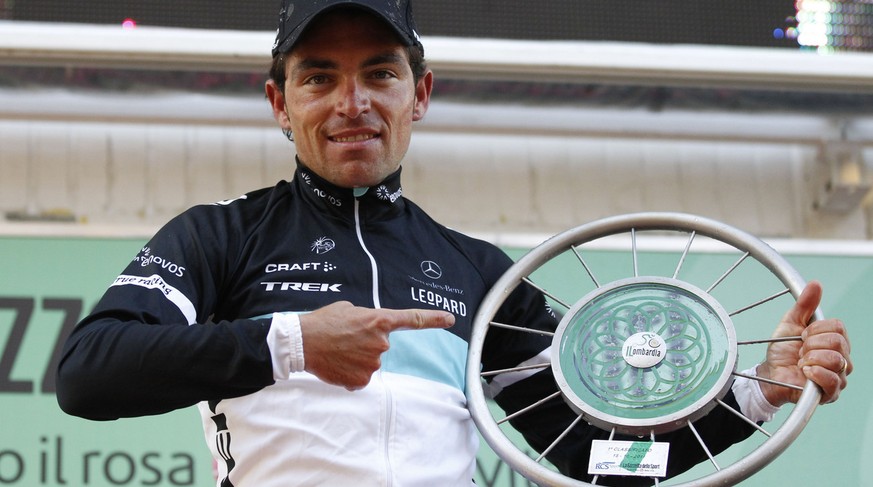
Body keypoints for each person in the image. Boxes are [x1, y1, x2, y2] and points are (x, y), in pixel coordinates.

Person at [56, 1, 852, 486]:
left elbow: (591, 455)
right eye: (318, 77)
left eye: (379, 73)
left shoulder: (479, 273)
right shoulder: (220, 234)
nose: (352, 102)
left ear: (420, 93)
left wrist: (753, 394)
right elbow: (89, 374)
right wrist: (292, 344)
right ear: (278, 101)